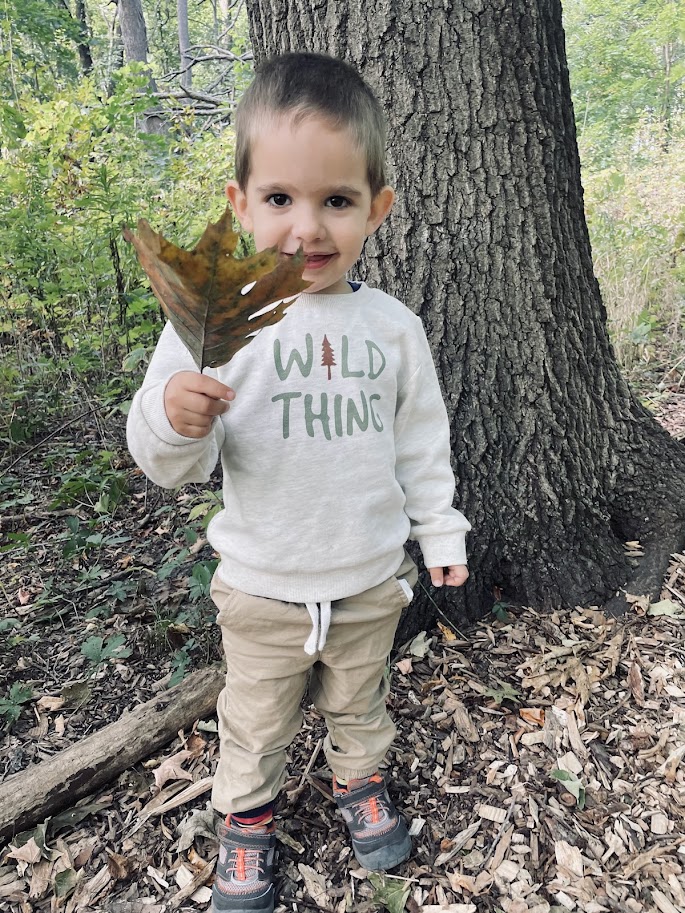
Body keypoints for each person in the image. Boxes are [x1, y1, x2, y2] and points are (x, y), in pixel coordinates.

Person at [127, 51, 471, 913]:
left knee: (361, 703)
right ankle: (245, 820)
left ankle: (360, 782)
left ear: (377, 210)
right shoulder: (216, 323)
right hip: (261, 587)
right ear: (241, 203)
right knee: (256, 720)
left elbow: (421, 442)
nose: (306, 229)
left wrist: (441, 532)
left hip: (366, 580)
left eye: (336, 201)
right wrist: (175, 414)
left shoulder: (391, 328)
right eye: (279, 199)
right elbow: (167, 463)